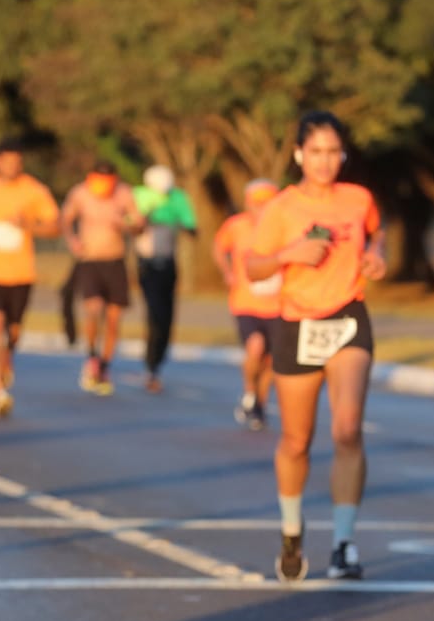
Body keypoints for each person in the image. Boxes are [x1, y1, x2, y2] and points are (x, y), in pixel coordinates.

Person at [246, 111, 385, 582]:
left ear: (342, 154)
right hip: (298, 324)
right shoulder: (281, 208)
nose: (325, 162)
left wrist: (376, 255)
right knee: (296, 440)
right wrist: (289, 255)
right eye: (317, 152)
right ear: (300, 155)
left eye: (333, 152)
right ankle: (291, 530)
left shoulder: (358, 198)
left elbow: (376, 230)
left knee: (347, 430)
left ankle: (344, 543)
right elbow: (253, 266)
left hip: (348, 317)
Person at [0, 138, 60, 418]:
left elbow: (55, 226)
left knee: (14, 331)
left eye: (16, 161)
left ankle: (8, 359)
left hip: (21, 273)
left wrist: (28, 224)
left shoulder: (34, 190)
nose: (11, 166)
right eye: (6, 160)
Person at [61, 160, 143, 396]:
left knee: (114, 318)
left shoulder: (124, 193)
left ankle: (105, 366)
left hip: (115, 261)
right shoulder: (80, 193)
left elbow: (137, 224)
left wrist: (126, 224)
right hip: (89, 261)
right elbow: (65, 219)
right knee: (93, 309)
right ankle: (92, 357)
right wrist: (72, 241)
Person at [213, 179, 282, 429]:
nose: (261, 208)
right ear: (248, 203)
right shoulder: (237, 226)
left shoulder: (284, 228)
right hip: (245, 302)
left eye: (267, 203)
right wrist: (227, 271)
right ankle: (250, 392)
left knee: (272, 361)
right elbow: (219, 248)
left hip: (278, 305)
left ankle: (259, 406)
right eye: (257, 203)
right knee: (255, 346)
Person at [132, 164, 198, 393]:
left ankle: (157, 361)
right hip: (146, 265)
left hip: (168, 264)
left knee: (167, 315)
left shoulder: (177, 198)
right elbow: (132, 225)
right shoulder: (139, 196)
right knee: (154, 313)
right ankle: (150, 366)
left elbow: (191, 228)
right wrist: (146, 215)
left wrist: (181, 221)